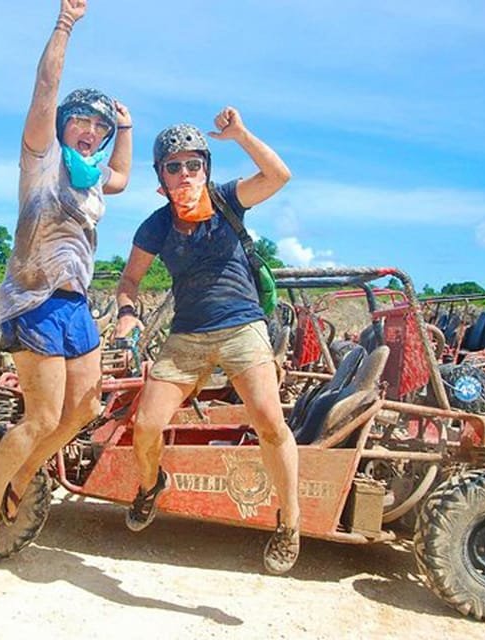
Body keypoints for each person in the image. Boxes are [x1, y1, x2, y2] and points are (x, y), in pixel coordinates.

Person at [0, 0, 132, 554]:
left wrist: (126, 126)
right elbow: (46, 87)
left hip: (75, 304)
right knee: (42, 418)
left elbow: (123, 175)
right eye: (82, 120)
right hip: (34, 299)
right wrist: (65, 24)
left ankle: (22, 475)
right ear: (64, 124)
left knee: (84, 409)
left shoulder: (92, 179)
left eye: (99, 127)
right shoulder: (42, 158)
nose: (91, 130)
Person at [114, 108, 299, 574]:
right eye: (173, 167)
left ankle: (290, 521)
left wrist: (241, 135)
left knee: (269, 422)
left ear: (206, 169)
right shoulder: (156, 225)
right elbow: (129, 280)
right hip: (187, 336)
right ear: (161, 177)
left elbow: (279, 176)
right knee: (146, 425)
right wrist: (127, 313)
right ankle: (151, 485)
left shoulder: (227, 199)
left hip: (242, 326)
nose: (184, 174)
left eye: (193, 164)